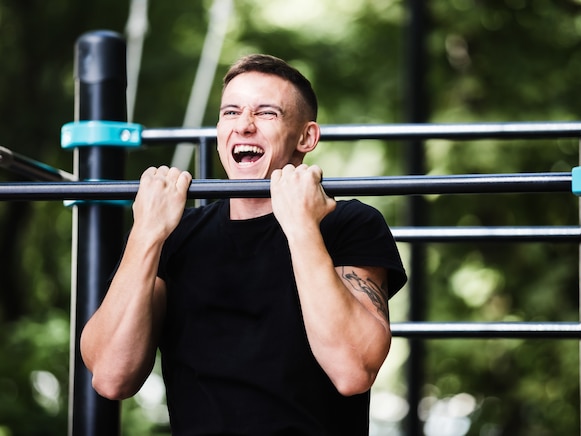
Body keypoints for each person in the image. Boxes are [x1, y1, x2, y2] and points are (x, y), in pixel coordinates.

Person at [80, 54, 407, 435]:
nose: (244, 125)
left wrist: (301, 226)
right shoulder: (173, 234)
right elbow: (110, 376)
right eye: (231, 112)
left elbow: (353, 371)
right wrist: (146, 233)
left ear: (307, 136)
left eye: (267, 113)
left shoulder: (348, 222)